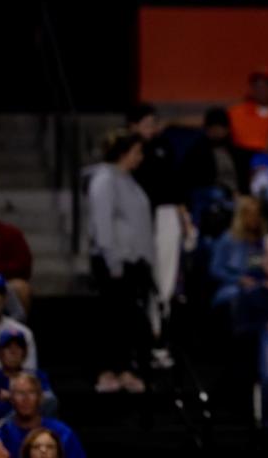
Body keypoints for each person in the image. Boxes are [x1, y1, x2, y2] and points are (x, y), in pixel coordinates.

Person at [86, 131, 154, 394]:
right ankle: (106, 371)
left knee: (127, 319)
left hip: (132, 262)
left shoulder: (129, 180)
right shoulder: (104, 180)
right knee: (111, 318)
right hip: (112, 262)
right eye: (137, 151)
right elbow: (103, 225)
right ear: (124, 153)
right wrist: (113, 262)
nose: (141, 157)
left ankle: (125, 369)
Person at [0, 329, 54, 426]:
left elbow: (50, 404)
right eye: (8, 347)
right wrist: (27, 399)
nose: (13, 352)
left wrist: (10, 396)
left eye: (18, 347)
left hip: (36, 432)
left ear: (25, 353)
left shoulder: (37, 376)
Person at [0, 374, 85, 458]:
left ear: (40, 397)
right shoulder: (0, 437)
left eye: (31, 392)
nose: (26, 399)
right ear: (12, 399)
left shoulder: (63, 433)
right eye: (20, 393)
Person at [208, 195, 266, 305]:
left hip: (258, 286)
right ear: (241, 216)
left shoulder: (262, 241)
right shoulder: (228, 239)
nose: (254, 218)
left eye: (257, 214)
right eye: (250, 214)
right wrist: (239, 279)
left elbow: (260, 268)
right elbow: (215, 269)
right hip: (231, 288)